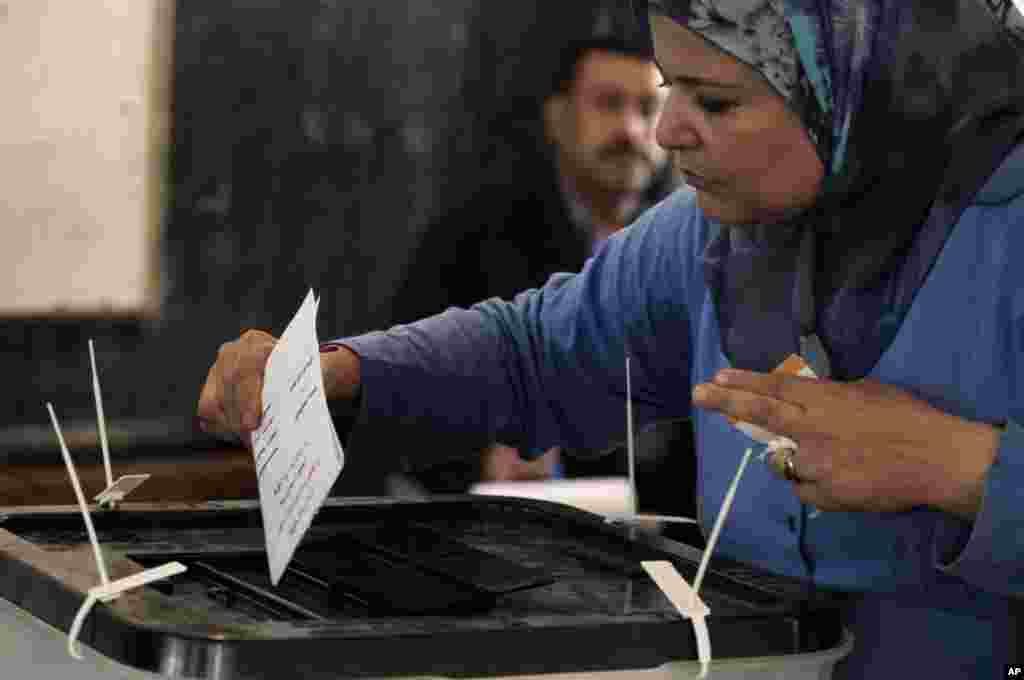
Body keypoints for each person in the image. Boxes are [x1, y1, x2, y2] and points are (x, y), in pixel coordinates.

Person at [198, 0, 1024, 676]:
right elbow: (538, 352)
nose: (666, 133)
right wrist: (342, 369)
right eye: (673, 87)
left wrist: (956, 466)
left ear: (856, 85)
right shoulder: (711, 237)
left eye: (718, 101)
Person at [390, 35, 678, 490]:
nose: (631, 131)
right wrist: (483, 461)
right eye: (608, 104)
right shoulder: (473, 239)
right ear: (558, 118)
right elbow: (408, 395)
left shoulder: (696, 246)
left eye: (648, 109)